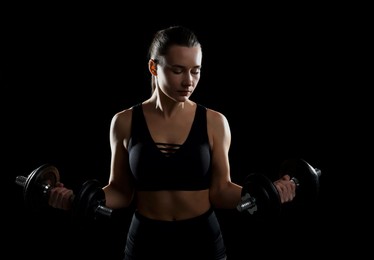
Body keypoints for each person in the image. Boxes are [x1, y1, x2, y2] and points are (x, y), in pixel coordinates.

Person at [48, 25, 296, 259]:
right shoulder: (124, 122)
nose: (188, 81)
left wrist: (267, 193)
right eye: (177, 70)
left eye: (195, 70)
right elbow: (121, 191)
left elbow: (220, 191)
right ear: (153, 68)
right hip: (146, 239)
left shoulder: (215, 122)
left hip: (203, 239)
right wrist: (79, 199)